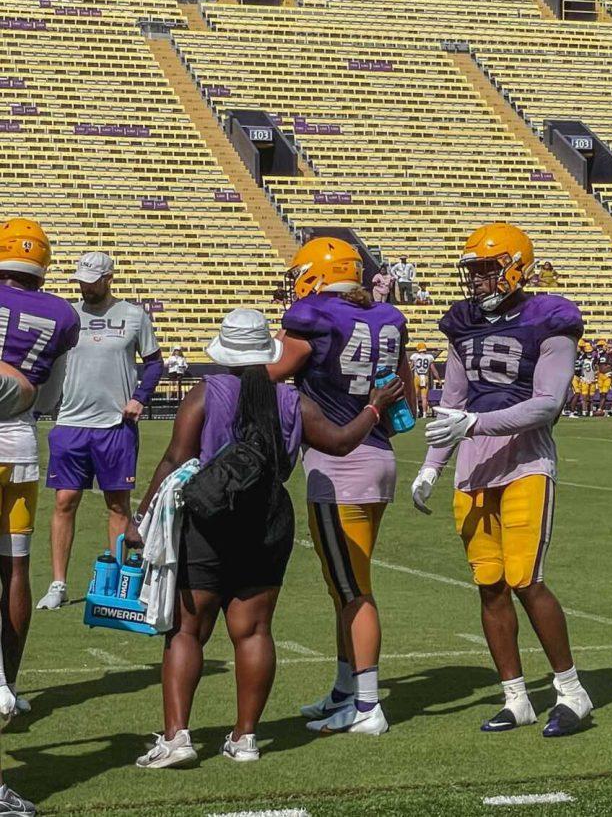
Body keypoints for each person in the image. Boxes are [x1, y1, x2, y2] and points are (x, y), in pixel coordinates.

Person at [128, 309, 406, 769]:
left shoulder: (206, 392)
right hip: (269, 519)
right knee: (254, 631)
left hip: (208, 518)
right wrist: (374, 407)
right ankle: (246, 736)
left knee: (187, 632)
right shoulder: (292, 401)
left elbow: (175, 459)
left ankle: (177, 737)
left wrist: (141, 517)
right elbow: (338, 443)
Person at [410, 223, 594, 738]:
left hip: (524, 462)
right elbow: (451, 403)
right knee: (488, 584)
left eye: (488, 268)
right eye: (474, 270)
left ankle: (572, 693)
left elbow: (548, 404)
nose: (479, 280)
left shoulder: (549, 321)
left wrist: (477, 424)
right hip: (473, 467)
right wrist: (431, 464)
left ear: (516, 266)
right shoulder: (463, 324)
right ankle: (516, 698)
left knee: (525, 579)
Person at [269, 237, 413, 736]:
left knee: (354, 590)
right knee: (344, 587)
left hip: (339, 464)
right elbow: (406, 391)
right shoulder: (387, 318)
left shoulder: (314, 318)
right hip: (377, 453)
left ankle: (369, 704)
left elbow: (277, 370)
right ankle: (345, 688)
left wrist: (236, 371)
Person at [37, 252, 163, 611]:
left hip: (115, 426)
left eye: (92, 279)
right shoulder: (67, 316)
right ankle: (58, 584)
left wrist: (140, 397)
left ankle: (120, 584)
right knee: (64, 502)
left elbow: (155, 364)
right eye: (81, 279)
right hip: (71, 424)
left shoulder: (135, 316)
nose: (85, 285)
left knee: (117, 503)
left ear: (109, 278)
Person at [0, 219, 79, 786]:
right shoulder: (63, 315)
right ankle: (6, 681)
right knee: (15, 564)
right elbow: (47, 393)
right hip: (21, 442)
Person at [409, 342, 439, 419]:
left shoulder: (415, 356)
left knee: (415, 396)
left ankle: (417, 411)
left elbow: (410, 367)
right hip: (425, 378)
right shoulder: (429, 357)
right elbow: (434, 370)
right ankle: (425, 414)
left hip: (417, 377)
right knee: (424, 397)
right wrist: (439, 379)